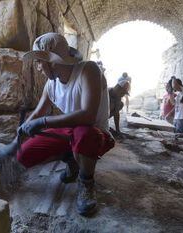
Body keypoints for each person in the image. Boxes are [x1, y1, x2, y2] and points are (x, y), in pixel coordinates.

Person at [17, 33, 115, 216]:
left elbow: (88, 116)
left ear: (53, 62)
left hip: (96, 134)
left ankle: (86, 182)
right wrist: (20, 134)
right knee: (25, 156)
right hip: (72, 132)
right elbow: (39, 112)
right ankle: (72, 159)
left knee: (84, 134)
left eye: (39, 62)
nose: (38, 67)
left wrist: (44, 122)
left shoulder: (88, 70)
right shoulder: (51, 84)